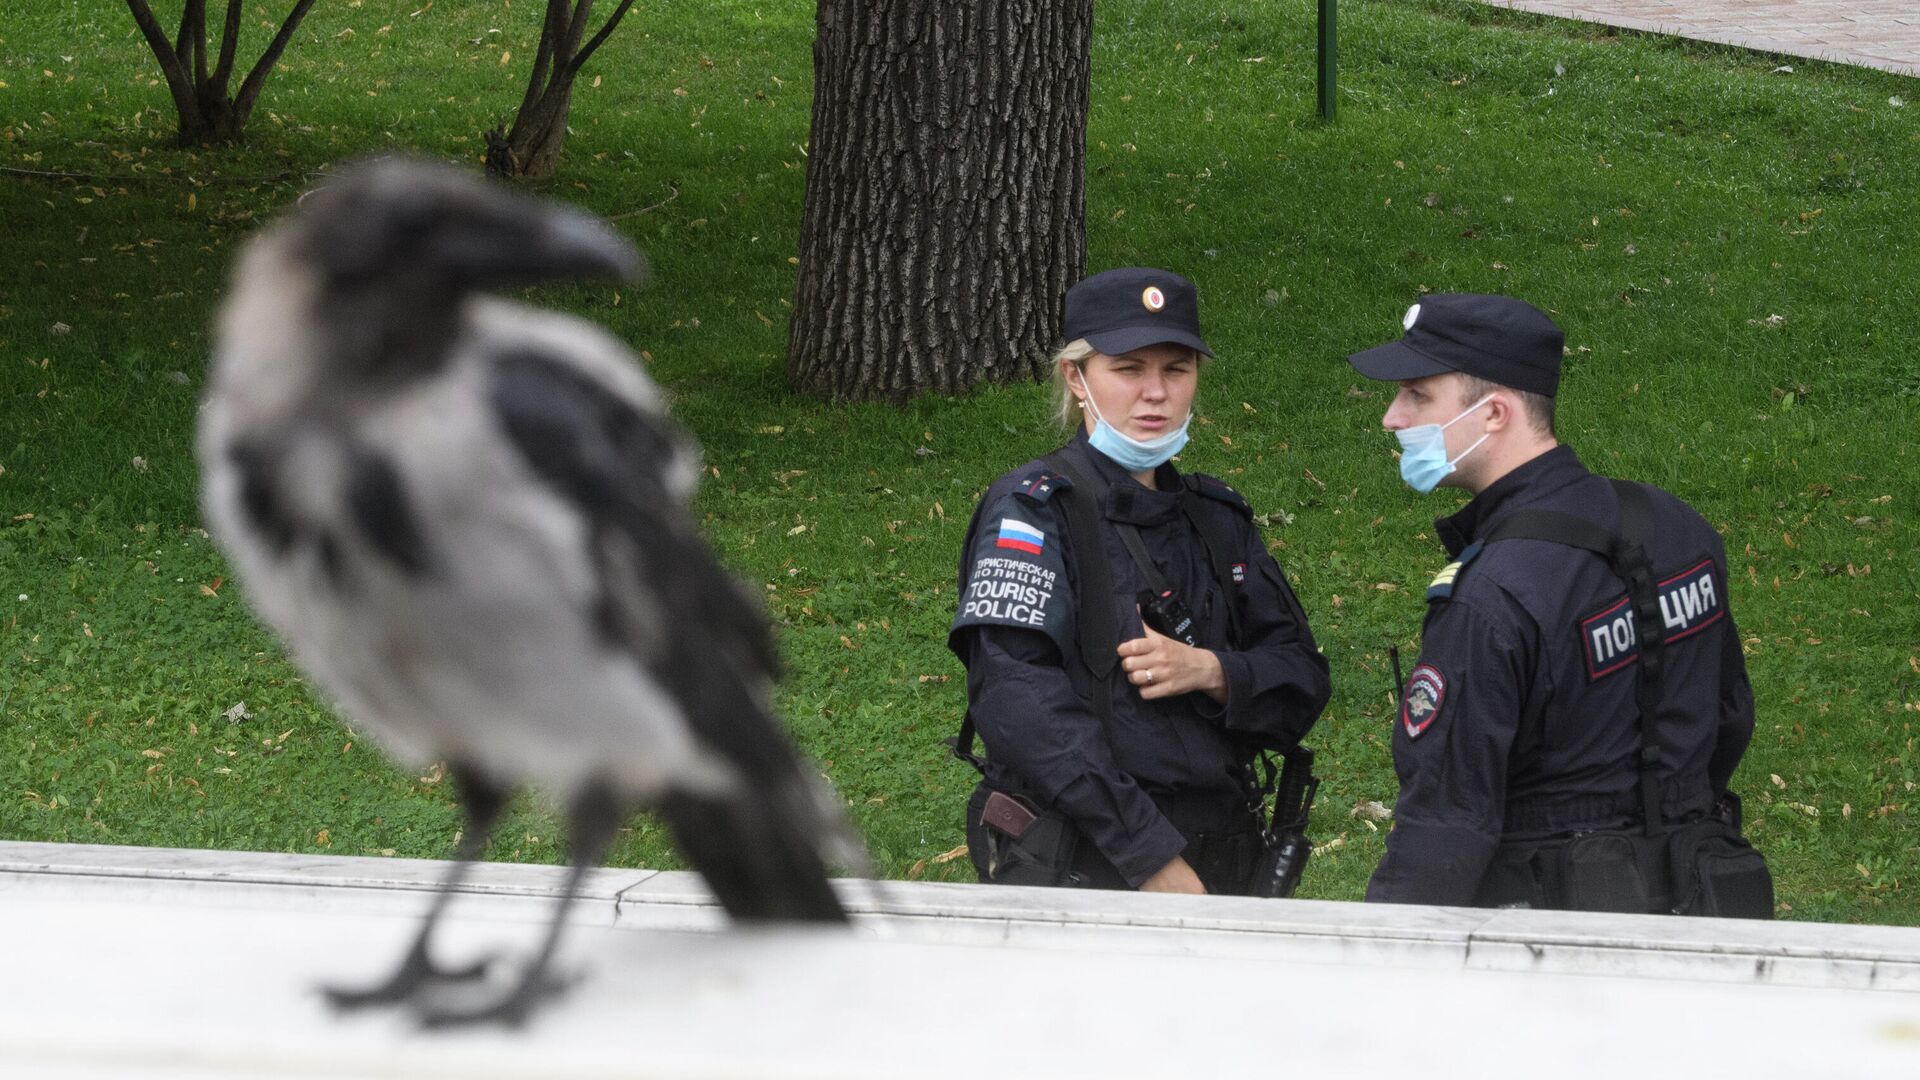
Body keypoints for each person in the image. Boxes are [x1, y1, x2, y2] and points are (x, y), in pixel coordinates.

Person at [1347, 293, 1771, 915]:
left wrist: (1384, 955)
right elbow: (1728, 715)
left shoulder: (1492, 595)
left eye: (1417, 395)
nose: (1392, 417)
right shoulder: (1677, 526)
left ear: (1495, 413)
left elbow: (1445, 825)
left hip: (1552, 937)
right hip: (1702, 901)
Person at [948, 267, 1331, 896]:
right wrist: (1149, 857)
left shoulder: (1216, 517)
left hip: (1227, 861)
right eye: (1128, 369)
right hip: (1089, 864)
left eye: (1176, 369)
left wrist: (1214, 671)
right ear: (1076, 378)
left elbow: (1302, 680)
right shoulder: (1035, 509)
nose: (1155, 393)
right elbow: (1017, 702)